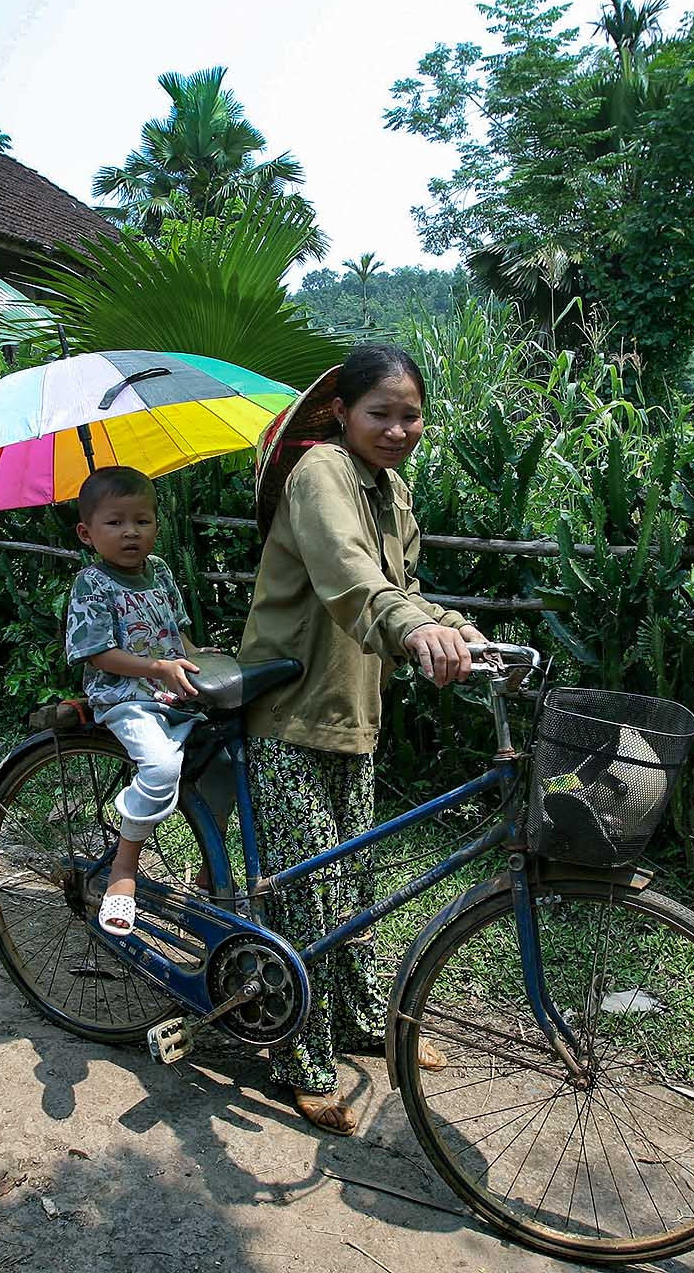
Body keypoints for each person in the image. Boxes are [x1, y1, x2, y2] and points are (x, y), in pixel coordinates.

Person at [237, 344, 488, 1135]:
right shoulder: (319, 474)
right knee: (309, 894)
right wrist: (413, 628)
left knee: (354, 883)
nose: (398, 428)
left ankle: (357, 1020)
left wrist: (453, 628)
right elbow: (348, 574)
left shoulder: (393, 488)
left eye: (410, 414)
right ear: (341, 413)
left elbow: (401, 588)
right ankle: (296, 1057)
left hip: (355, 710)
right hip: (290, 706)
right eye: (380, 412)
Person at [64, 465, 207, 938]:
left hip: (174, 692)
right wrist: (155, 668)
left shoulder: (161, 571)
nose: (130, 532)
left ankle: (213, 869)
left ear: (156, 526)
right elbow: (97, 652)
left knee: (225, 763)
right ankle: (124, 871)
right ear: (87, 533)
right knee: (162, 768)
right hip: (126, 698)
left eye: (141, 521)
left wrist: (199, 659)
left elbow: (176, 633)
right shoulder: (92, 583)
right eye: (115, 522)